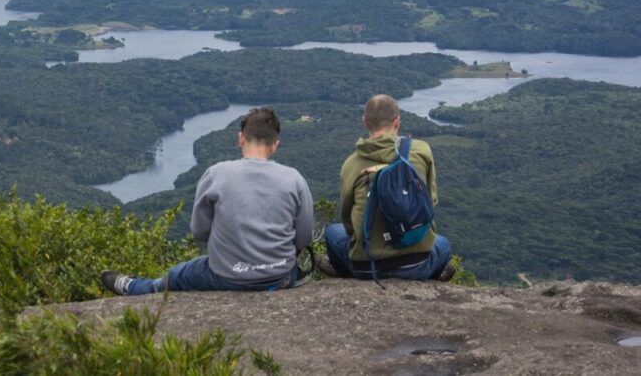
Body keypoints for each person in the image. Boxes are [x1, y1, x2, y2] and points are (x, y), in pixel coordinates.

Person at [101, 107, 314, 295]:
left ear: (241, 138)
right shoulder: (294, 179)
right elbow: (304, 237)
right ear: (275, 145)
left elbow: (199, 230)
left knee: (177, 275)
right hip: (281, 277)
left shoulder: (217, 174)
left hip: (226, 276)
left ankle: (135, 288)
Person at [317, 94, 454, 281]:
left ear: (364, 122)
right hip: (416, 264)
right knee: (443, 244)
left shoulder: (351, 164)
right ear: (397, 122)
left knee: (334, 232)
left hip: (367, 267)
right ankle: (429, 278)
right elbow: (431, 201)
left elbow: (348, 220)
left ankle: (346, 274)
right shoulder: (421, 151)